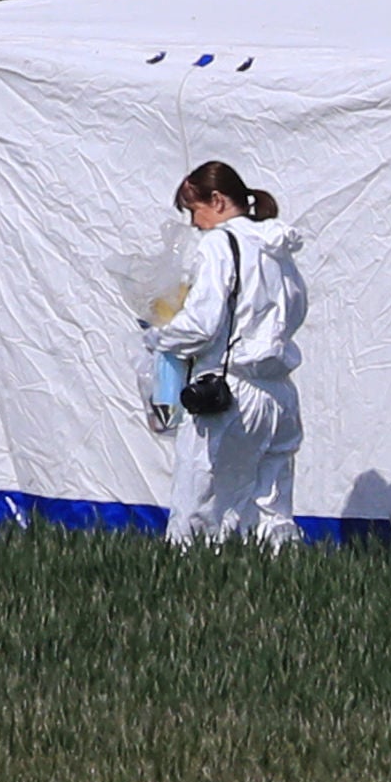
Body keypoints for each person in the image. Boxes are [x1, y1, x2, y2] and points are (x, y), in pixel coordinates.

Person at [152, 160, 308, 547]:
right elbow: (297, 310)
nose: (194, 223)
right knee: (271, 501)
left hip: (229, 393)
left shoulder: (220, 245)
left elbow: (202, 325)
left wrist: (160, 335)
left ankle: (191, 586)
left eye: (194, 211)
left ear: (217, 200)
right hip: (278, 395)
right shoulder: (277, 246)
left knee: (198, 497)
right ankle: (280, 577)